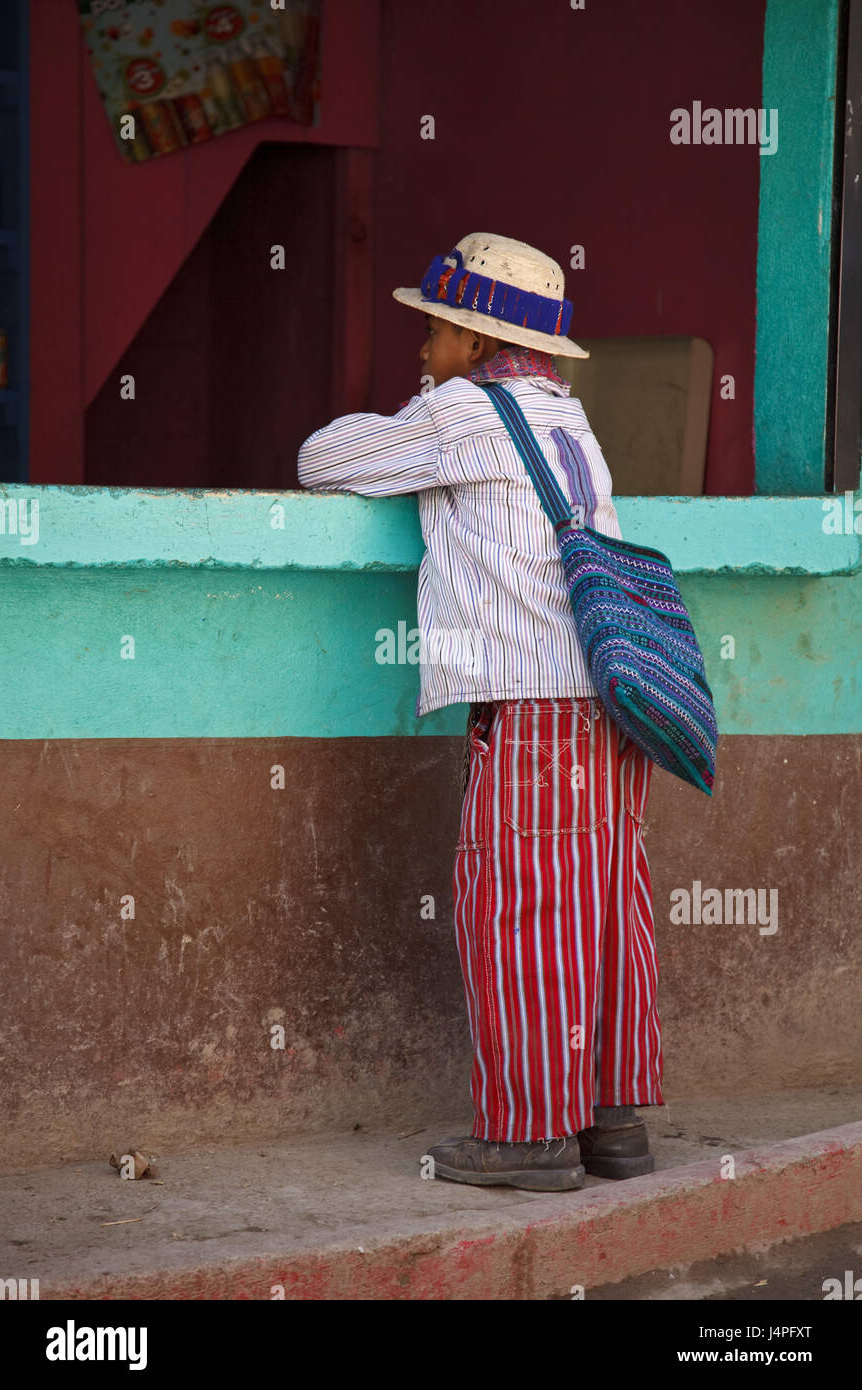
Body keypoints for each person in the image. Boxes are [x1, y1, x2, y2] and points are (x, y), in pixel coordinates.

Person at [297, 233, 664, 1193]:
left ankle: (529, 1136)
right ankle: (610, 1124)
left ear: (470, 335)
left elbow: (319, 456)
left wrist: (426, 406)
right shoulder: (566, 419)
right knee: (599, 909)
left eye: (433, 329)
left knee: (519, 914)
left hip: (534, 712)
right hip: (612, 706)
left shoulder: (461, 413)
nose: (421, 346)